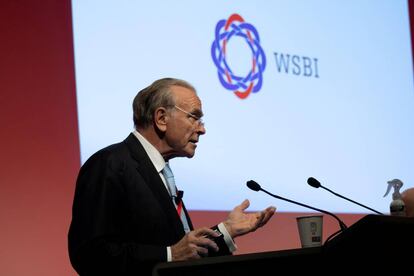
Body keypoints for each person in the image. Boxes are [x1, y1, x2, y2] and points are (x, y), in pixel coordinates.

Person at [68, 78, 276, 276]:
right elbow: (90, 254)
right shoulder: (110, 164)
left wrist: (227, 230)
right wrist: (169, 255)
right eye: (194, 117)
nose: (202, 129)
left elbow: (184, 253)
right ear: (161, 118)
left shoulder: (161, 172)